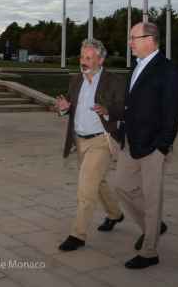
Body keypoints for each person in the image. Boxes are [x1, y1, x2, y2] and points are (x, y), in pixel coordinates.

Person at [113, 22, 178, 269]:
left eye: (134, 37)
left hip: (153, 145)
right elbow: (131, 105)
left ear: (150, 39)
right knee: (121, 186)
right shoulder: (136, 67)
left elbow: (172, 111)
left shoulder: (168, 70)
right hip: (130, 141)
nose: (130, 42)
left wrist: (163, 145)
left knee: (152, 198)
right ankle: (152, 226)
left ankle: (149, 251)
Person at [54, 38, 126, 252]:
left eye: (89, 58)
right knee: (98, 182)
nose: (83, 61)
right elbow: (69, 105)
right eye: (82, 57)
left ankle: (78, 234)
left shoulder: (113, 81)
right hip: (80, 140)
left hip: (101, 140)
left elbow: (123, 108)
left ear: (100, 60)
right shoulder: (76, 79)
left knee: (86, 187)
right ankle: (115, 214)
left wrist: (108, 110)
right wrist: (64, 108)